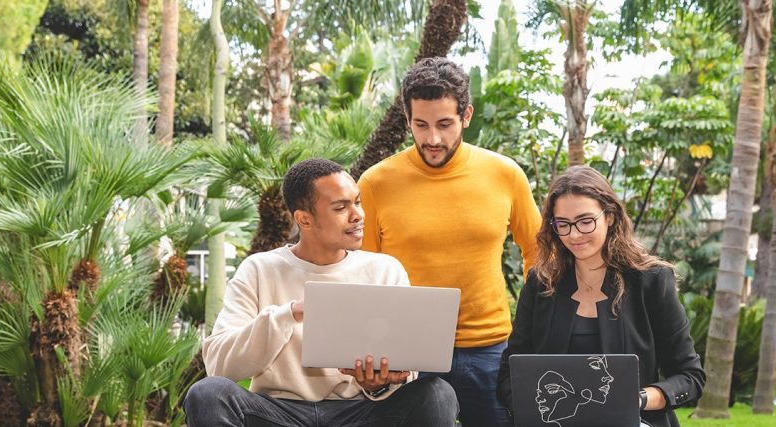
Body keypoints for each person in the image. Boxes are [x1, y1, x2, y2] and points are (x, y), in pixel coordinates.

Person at [184, 158, 458, 427]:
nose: (358, 215)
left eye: (358, 202)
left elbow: (406, 368)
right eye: (341, 207)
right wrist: (289, 313)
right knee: (207, 394)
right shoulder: (259, 269)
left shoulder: (385, 269)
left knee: (437, 394)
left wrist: (377, 386)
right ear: (304, 220)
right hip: (278, 412)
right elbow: (219, 365)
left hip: (360, 412)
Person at [358, 57, 542, 427]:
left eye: (444, 124)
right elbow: (361, 273)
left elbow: (538, 253)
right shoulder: (375, 183)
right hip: (408, 351)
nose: (432, 139)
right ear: (407, 119)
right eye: (420, 125)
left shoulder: (506, 174)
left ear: (467, 115)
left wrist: (535, 327)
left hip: (491, 347)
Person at [497, 166, 705, 427]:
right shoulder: (541, 284)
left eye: (585, 221)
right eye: (563, 224)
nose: (574, 234)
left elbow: (690, 377)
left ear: (609, 216)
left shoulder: (652, 281)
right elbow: (509, 375)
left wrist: (636, 399)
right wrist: (536, 410)